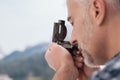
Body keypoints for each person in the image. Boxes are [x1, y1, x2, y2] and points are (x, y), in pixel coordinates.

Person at [45, 0, 120, 80]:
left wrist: (64, 71)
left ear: (97, 11)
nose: (72, 40)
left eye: (73, 23)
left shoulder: (113, 73)